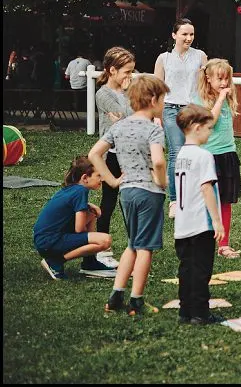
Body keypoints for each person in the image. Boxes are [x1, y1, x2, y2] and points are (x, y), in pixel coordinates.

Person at [88, 73, 170, 317]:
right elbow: (158, 161)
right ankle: (136, 300)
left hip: (127, 192)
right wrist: (162, 181)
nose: (164, 105)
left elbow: (94, 154)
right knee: (145, 248)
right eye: (163, 100)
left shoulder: (119, 126)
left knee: (133, 244)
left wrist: (112, 180)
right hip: (149, 193)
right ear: (153, 100)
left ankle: (116, 295)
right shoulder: (154, 130)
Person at [172, 104, 225, 325]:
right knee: (201, 270)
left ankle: (185, 310)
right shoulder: (204, 156)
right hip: (200, 223)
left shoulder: (181, 154)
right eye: (209, 128)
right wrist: (217, 221)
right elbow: (206, 188)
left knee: (186, 268)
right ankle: (201, 313)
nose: (210, 133)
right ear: (196, 127)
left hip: (183, 224)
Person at [32, 156, 114, 280]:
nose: (101, 179)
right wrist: (92, 239)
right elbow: (79, 229)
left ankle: (90, 262)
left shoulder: (72, 189)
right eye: (98, 175)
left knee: (91, 214)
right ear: (85, 178)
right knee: (105, 241)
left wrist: (90, 208)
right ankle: (55, 262)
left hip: (44, 240)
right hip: (49, 241)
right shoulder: (80, 191)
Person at [154, 18, 208, 207]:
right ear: (174, 35)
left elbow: (205, 85)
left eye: (191, 34)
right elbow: (158, 89)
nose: (188, 38)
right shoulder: (163, 58)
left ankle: (191, 195)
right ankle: (175, 200)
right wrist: (157, 116)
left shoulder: (200, 56)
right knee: (176, 152)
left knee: (193, 152)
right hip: (171, 110)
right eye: (184, 34)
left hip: (193, 110)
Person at [195, 58, 241, 260]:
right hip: (208, 155)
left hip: (227, 154)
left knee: (225, 201)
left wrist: (224, 98)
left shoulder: (227, 98)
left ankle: (223, 244)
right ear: (208, 79)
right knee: (206, 201)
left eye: (227, 79)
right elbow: (210, 122)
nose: (224, 83)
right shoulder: (201, 99)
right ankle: (202, 241)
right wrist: (221, 99)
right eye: (220, 79)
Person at [93, 46, 136, 268]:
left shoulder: (128, 90)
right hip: (111, 155)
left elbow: (138, 114)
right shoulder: (103, 94)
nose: (130, 76)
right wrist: (128, 95)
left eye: (132, 71)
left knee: (130, 201)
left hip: (130, 153)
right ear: (112, 70)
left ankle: (134, 247)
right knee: (108, 202)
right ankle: (102, 249)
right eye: (127, 72)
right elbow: (127, 115)